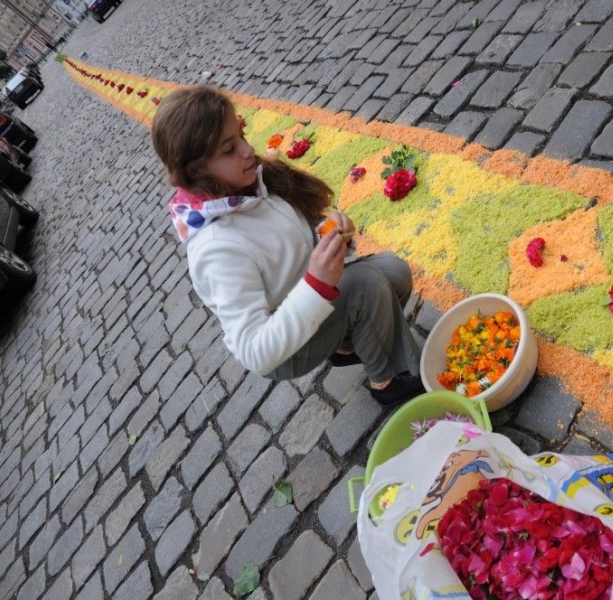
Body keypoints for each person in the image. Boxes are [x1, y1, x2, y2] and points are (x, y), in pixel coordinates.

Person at [150, 85, 424, 406]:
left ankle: (346, 342)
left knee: (394, 272)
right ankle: (390, 382)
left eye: (241, 135)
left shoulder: (245, 186)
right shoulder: (216, 248)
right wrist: (318, 284)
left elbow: (288, 248)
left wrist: (327, 237)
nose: (247, 150)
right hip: (284, 350)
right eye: (228, 150)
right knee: (366, 284)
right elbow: (257, 353)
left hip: (306, 302)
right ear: (195, 171)